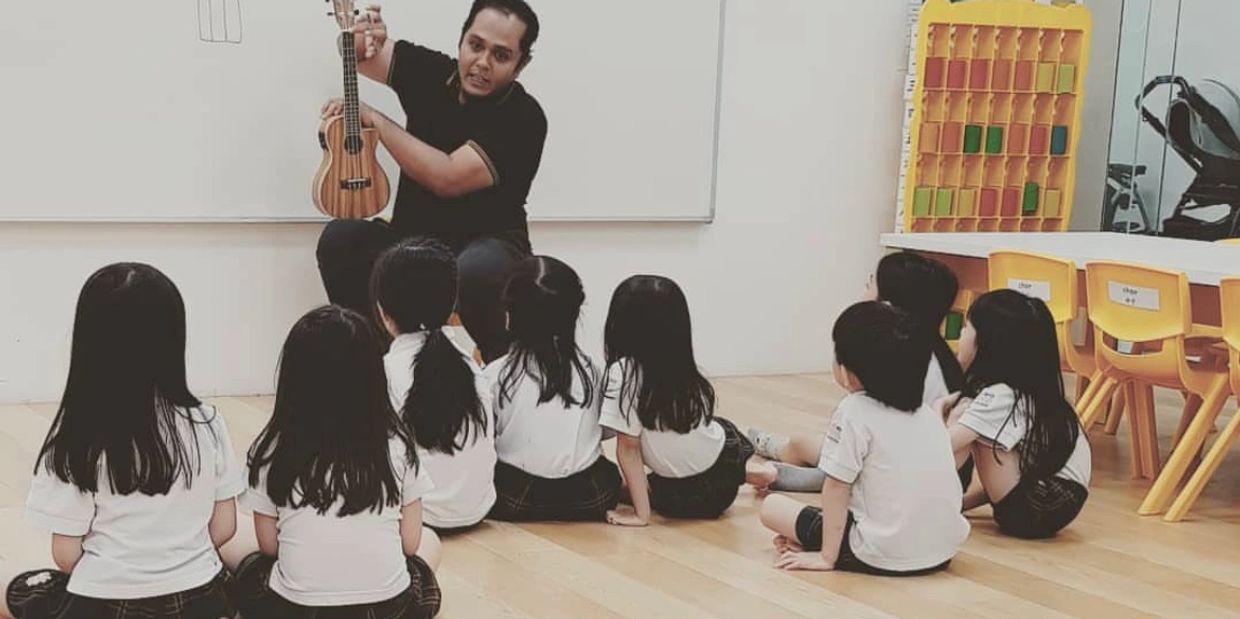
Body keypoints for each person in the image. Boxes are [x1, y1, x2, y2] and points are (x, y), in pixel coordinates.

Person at [2, 263, 242, 619]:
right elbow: (224, 528)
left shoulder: (75, 437)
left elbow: (66, 556)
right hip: (201, 601)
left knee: (22, 588)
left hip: (104, 606)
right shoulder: (206, 423)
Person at [317, 0, 547, 363]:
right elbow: (362, 58)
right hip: (412, 238)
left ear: (521, 65)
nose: (482, 63)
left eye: (501, 55)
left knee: (477, 270)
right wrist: (360, 38)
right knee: (341, 239)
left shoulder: (525, 118)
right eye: (476, 45)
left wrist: (375, 119)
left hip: (488, 245)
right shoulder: (432, 71)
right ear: (461, 40)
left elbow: (447, 177)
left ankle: (500, 370)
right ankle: (376, 362)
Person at [228, 306, 442, 618]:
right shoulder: (396, 443)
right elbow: (410, 544)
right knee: (431, 540)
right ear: (372, 376)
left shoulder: (274, 446)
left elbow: (270, 546)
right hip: (389, 609)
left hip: (294, 610)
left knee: (234, 538)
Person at [759, 301, 969, 575]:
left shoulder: (854, 411)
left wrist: (826, 557)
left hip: (880, 554)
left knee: (772, 507)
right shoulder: (927, 414)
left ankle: (821, 544)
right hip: (942, 552)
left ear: (847, 372)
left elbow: (836, 487)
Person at [748, 252, 967, 492]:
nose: (863, 291)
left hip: (904, 471)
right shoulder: (932, 353)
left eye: (870, 285)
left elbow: (845, 380)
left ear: (888, 305)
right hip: (921, 464)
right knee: (807, 442)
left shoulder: (902, 358)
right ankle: (775, 449)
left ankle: (781, 462)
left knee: (815, 448)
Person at [599, 275, 759, 526]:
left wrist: (642, 515)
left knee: (615, 484)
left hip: (682, 497)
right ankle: (761, 469)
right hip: (722, 478)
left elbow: (628, 449)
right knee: (712, 429)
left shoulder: (623, 372)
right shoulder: (680, 367)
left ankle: (761, 468)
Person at [941, 290, 1091, 539]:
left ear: (988, 343)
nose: (961, 334)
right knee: (973, 422)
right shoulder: (1028, 392)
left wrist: (939, 411)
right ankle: (943, 503)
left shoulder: (1002, 396)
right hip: (1057, 501)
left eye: (967, 327)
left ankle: (929, 504)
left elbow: (942, 447)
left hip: (1039, 506)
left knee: (965, 420)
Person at [373, 238, 497, 533]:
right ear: (451, 306)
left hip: (416, 517)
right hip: (477, 510)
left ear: (382, 312)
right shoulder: (473, 367)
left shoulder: (385, 372)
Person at [484, 256, 622, 521]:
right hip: (589, 497)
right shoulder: (591, 371)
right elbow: (605, 431)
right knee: (606, 472)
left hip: (515, 498)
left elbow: (486, 435)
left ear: (510, 316)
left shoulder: (496, 375)